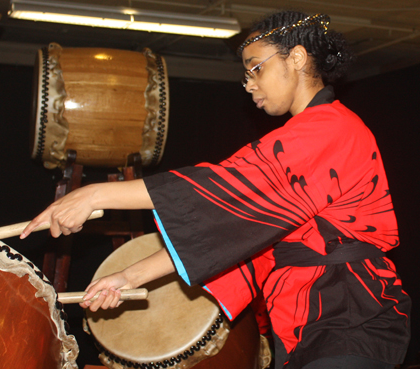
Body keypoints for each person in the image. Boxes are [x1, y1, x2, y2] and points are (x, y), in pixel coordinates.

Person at [21, 11, 411, 369]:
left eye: (256, 69)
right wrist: (129, 277)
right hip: (305, 317)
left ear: (295, 58)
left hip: (348, 308)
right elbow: (233, 231)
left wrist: (95, 195)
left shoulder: (331, 128)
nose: (249, 85)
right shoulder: (302, 135)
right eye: (246, 75)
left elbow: (225, 187)